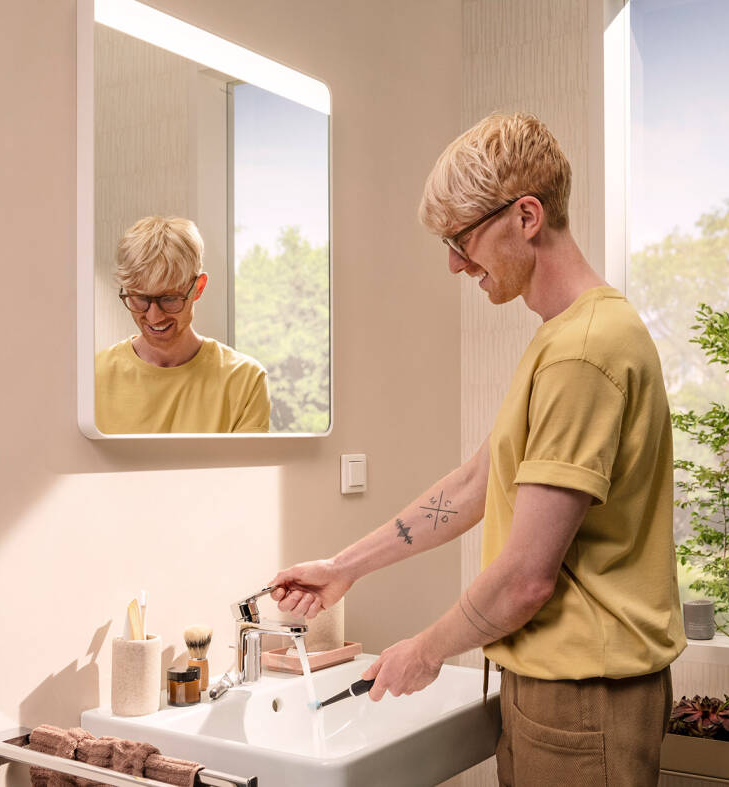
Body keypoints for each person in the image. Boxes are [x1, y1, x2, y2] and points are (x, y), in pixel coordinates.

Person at [269, 112, 684, 786]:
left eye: (462, 239)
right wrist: (344, 566)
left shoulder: (583, 350)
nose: (456, 263)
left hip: (584, 699)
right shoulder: (563, 337)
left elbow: (527, 576)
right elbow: (473, 484)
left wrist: (425, 650)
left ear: (526, 216)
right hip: (555, 687)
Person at [94, 216, 270, 433]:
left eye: (169, 299)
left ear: (198, 287)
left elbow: (245, 467)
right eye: (140, 298)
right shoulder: (93, 377)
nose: (154, 317)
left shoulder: (244, 380)